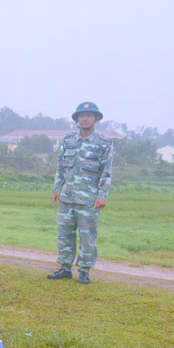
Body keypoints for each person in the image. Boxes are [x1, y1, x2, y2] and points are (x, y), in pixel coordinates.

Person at [49, 102, 113, 285]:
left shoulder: (104, 142)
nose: (84, 118)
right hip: (67, 196)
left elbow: (106, 171)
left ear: (96, 119)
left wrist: (103, 195)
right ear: (76, 119)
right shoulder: (69, 140)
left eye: (89, 115)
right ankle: (65, 267)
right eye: (81, 115)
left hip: (89, 199)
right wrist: (57, 189)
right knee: (64, 234)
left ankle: (84, 270)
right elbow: (60, 167)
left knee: (87, 236)